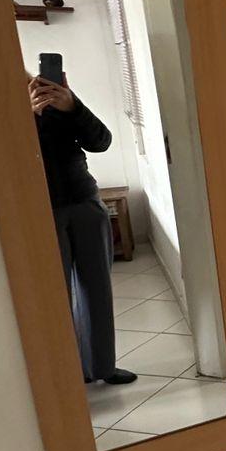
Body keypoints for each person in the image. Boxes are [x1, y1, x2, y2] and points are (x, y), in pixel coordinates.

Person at [28, 71, 137, 385]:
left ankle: (102, 366)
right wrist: (28, 116)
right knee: (54, 295)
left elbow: (101, 141)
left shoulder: (62, 105)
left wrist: (72, 106)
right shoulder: (6, 113)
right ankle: (65, 374)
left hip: (85, 201)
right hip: (39, 211)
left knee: (97, 287)